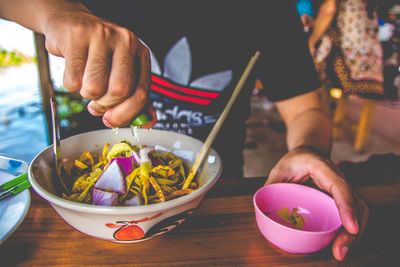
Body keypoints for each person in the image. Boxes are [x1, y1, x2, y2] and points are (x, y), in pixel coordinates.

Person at [0, 0, 368, 261]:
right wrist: (57, 13)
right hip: (72, 218)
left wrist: (308, 149)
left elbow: (306, 108)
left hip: (213, 207)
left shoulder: (266, 8)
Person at [307, 0, 384, 97]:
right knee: (361, 105)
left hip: (344, 52)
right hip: (370, 58)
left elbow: (329, 9)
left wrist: (311, 42)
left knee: (313, 93)